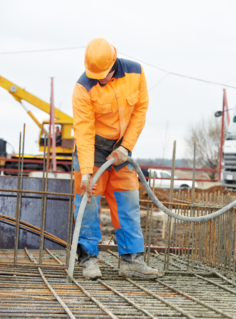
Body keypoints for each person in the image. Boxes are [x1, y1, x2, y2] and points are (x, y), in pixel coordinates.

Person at [72, 38, 161, 280]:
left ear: (114, 62)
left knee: (127, 203)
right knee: (88, 205)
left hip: (121, 149)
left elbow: (140, 110)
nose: (100, 78)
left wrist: (126, 147)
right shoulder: (83, 87)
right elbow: (83, 129)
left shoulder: (135, 73)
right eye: (96, 75)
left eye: (104, 74)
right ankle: (88, 260)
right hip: (91, 148)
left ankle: (132, 261)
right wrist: (88, 170)